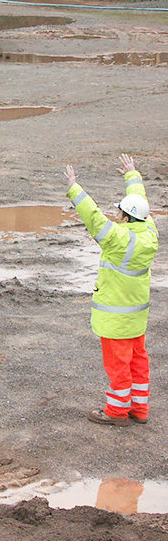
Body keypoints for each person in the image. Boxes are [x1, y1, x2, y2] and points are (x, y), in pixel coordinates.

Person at [64, 154, 159, 426]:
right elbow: (141, 204)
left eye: (120, 213)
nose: (116, 216)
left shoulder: (118, 239)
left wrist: (74, 187)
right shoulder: (149, 232)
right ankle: (139, 410)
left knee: (118, 367)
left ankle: (116, 412)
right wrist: (132, 175)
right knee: (138, 362)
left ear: (125, 218)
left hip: (115, 320)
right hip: (136, 318)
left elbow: (93, 218)